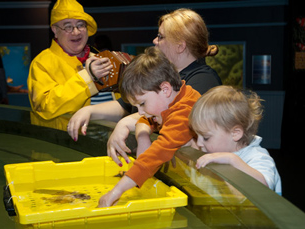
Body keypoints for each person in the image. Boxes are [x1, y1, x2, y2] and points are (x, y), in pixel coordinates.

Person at [67, 8, 221, 155]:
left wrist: (126, 123)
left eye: (160, 37)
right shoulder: (163, 72)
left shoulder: (204, 80)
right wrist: (89, 111)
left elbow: (174, 118)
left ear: (180, 46)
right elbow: (125, 106)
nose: (155, 41)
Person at [98, 47, 201, 207]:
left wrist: (116, 191)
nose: (140, 112)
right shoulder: (177, 99)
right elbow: (147, 121)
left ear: (165, 89)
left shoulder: (184, 112)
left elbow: (156, 154)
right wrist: (143, 136)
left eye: (142, 103)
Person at [27, 0, 113, 129]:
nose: (76, 32)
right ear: (55, 30)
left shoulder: (99, 58)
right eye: (68, 27)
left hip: (107, 143)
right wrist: (88, 78)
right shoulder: (41, 63)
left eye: (80, 25)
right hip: (64, 146)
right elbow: (45, 107)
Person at [189, 85, 282, 195]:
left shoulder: (257, 157)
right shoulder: (215, 151)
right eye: (197, 135)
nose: (199, 143)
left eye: (206, 138)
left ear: (235, 133)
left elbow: (264, 188)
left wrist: (232, 160)